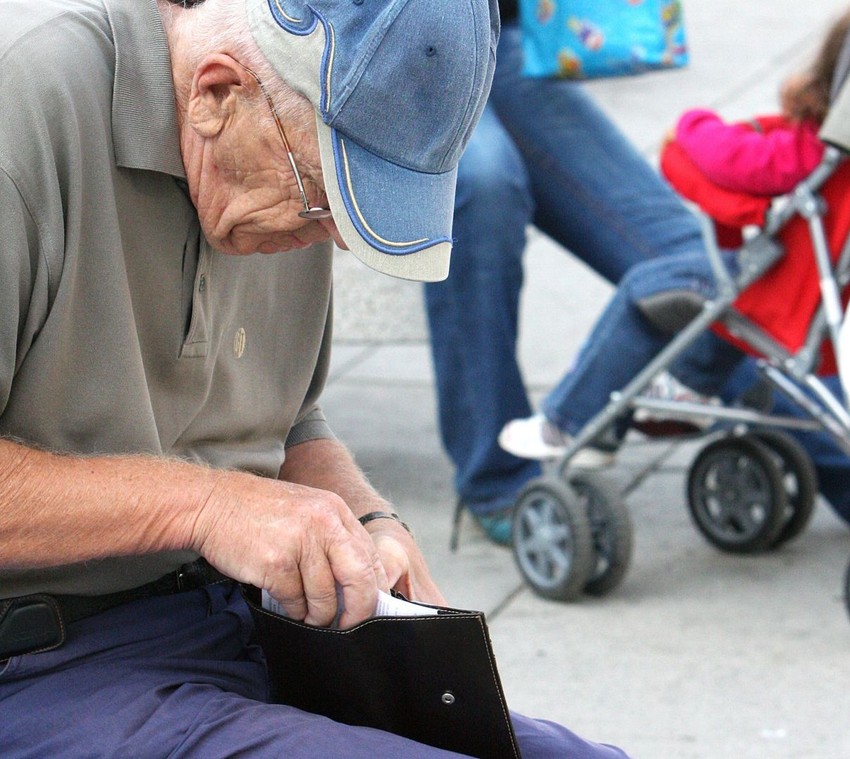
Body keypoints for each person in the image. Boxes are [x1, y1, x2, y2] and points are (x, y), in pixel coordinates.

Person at [0, 0, 631, 756]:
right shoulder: (25, 101)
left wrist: (365, 519)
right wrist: (208, 506)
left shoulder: (271, 169)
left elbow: (287, 417)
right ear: (216, 94)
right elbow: (219, 498)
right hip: (42, 659)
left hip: (233, 621)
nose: (328, 239)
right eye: (322, 203)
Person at [500, 9, 850, 510]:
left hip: (779, 295)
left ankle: (572, 422)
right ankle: (693, 385)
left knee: (652, 288)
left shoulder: (807, 153)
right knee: (718, 298)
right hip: (816, 302)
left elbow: (730, 159)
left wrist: (693, 123)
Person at [424, 0, 720, 545]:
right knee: (484, 187)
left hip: (504, 36)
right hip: (387, 53)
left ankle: (826, 446)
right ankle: (498, 475)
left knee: (692, 261)